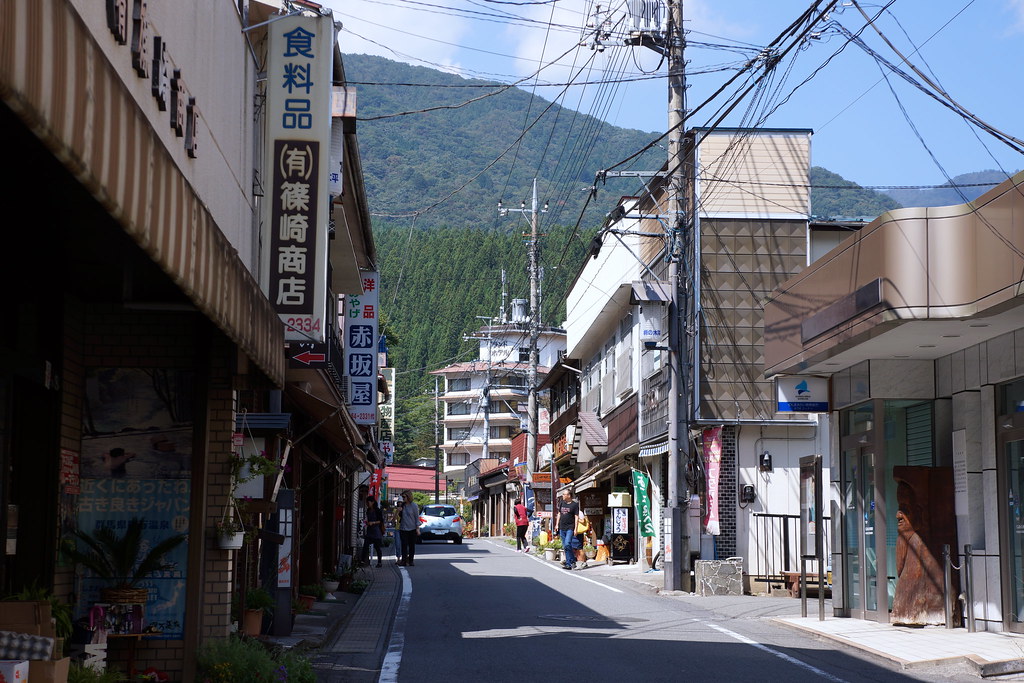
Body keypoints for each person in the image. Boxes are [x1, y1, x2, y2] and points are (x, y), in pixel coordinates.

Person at [556, 489, 583, 570]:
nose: (563, 496)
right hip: (562, 527)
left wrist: (575, 529)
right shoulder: (562, 503)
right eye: (563, 494)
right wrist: (557, 524)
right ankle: (572, 561)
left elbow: (576, 517)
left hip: (570, 528)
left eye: (564, 494)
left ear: (569, 495)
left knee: (568, 543)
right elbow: (559, 514)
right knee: (566, 546)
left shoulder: (574, 505)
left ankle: (568, 563)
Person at [397, 491, 419, 567]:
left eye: (404, 497)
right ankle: (403, 560)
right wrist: (399, 511)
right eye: (402, 497)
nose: (403, 499)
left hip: (412, 528)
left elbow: (417, 518)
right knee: (404, 545)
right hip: (403, 528)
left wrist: (417, 528)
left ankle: (411, 560)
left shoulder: (414, 506)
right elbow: (399, 516)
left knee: (411, 545)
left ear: (408, 497)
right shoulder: (402, 505)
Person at [361, 496, 384, 568]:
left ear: (373, 502)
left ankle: (379, 562)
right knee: (365, 546)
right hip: (369, 531)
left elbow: (380, 521)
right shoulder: (368, 510)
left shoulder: (377, 510)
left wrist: (373, 522)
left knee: (377, 548)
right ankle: (362, 561)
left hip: (376, 531)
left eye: (368, 502)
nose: (367, 504)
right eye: (367, 502)